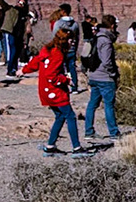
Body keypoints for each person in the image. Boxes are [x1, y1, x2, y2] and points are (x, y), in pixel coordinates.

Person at [21, 26, 87, 155]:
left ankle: (50, 146)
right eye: (70, 40)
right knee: (70, 116)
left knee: (60, 116)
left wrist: (23, 70)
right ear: (64, 40)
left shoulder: (47, 50)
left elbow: (36, 61)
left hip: (46, 90)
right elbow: (52, 76)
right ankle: (77, 148)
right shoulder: (58, 54)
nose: (72, 42)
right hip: (55, 91)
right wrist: (67, 80)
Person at [84, 13, 121, 140]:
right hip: (105, 78)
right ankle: (113, 133)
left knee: (92, 104)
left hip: (94, 76)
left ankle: (89, 131)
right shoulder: (106, 41)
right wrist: (113, 74)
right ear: (112, 26)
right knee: (109, 105)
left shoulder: (96, 37)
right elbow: (106, 62)